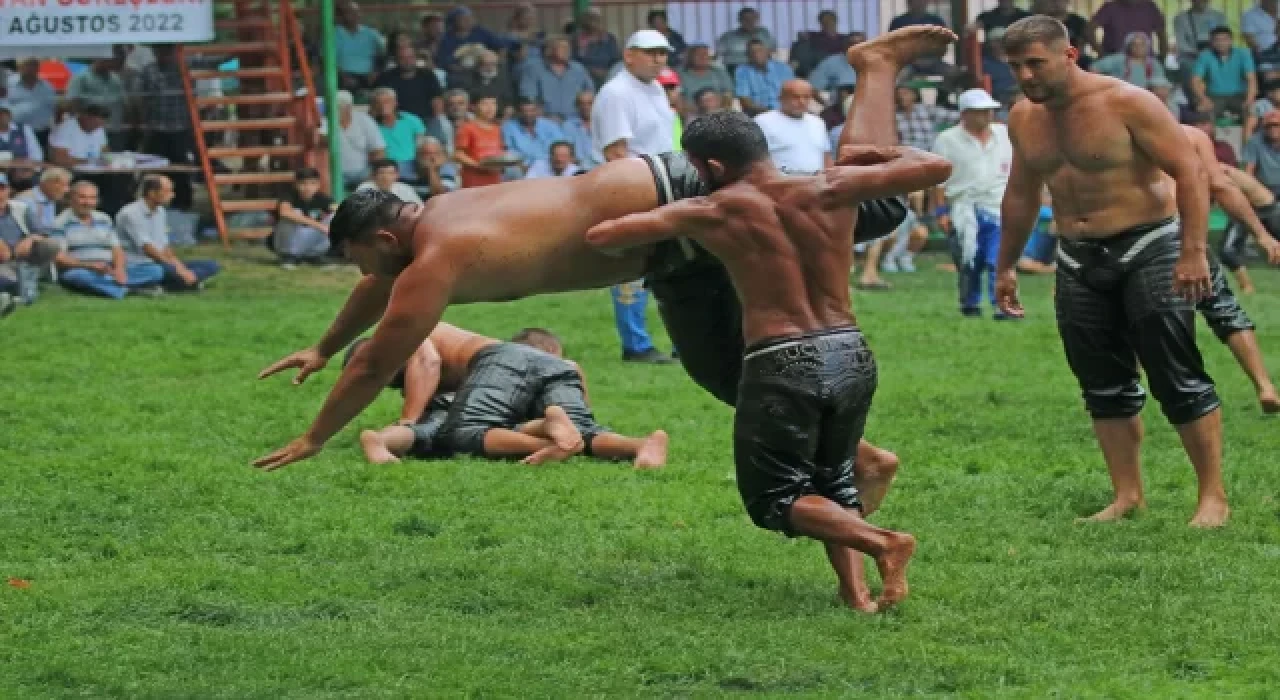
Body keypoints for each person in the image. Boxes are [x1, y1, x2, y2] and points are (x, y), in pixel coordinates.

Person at [251, 28, 938, 612]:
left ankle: (874, 68)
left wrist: (315, 436)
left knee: (870, 200)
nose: (362, 278)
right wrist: (322, 346)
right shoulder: (440, 212)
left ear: (380, 240)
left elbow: (376, 362)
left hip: (681, 205)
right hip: (668, 249)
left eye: (356, 261)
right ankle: (855, 480)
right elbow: (377, 293)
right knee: (728, 374)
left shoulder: (437, 258)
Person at [584, 28, 958, 611]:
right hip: (852, 352)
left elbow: (603, 236)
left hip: (781, 362)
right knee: (835, 480)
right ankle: (854, 593)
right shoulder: (831, 186)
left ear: (708, 166)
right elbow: (933, 165)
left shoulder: (713, 209)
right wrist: (881, 158)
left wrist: (670, 211)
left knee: (777, 501)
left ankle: (886, 543)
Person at [996, 16, 1227, 528]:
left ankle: (1213, 496)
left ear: (1069, 55)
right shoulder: (1022, 118)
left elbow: (1189, 169)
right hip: (1078, 254)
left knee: (1175, 373)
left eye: (1036, 63)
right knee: (1101, 381)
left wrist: (1193, 251)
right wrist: (1006, 263)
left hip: (1150, 243)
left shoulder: (1127, 101)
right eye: (1016, 67)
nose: (1026, 76)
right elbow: (1021, 194)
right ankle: (1127, 496)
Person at [353, 325, 668, 468]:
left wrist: (408, 418)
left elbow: (427, 362)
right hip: (538, 374)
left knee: (460, 433)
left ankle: (378, 440)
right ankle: (641, 445)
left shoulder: (406, 330)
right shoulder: (432, 382)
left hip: (501, 363)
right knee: (582, 433)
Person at [1173, 123, 1280, 413]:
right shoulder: (1191, 138)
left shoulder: (1139, 137)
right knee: (1224, 310)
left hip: (1154, 238)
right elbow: (1222, 187)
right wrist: (1261, 234)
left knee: (1136, 315)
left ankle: (1131, 390)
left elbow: (1222, 186)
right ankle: (1264, 385)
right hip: (1185, 238)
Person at [592, 29, 679, 364]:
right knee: (633, 270)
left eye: (663, 53)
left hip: (662, 186)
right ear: (629, 55)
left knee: (668, 268)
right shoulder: (617, 93)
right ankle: (636, 345)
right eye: (651, 52)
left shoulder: (655, 88)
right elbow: (616, 153)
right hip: (633, 189)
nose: (659, 59)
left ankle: (678, 342)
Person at [931, 88, 1013, 318]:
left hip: (998, 205)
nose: (987, 116)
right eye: (980, 112)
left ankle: (1002, 305)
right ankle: (970, 304)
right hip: (963, 206)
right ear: (965, 113)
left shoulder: (1005, 135)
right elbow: (938, 181)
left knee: (999, 259)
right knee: (969, 260)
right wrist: (941, 212)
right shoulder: (946, 140)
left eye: (989, 111)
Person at [53, 181, 165, 299]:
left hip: (109, 267)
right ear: (71, 199)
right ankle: (130, 289)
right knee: (78, 276)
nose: (87, 202)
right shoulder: (60, 223)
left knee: (155, 270)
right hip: (82, 268)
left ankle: (112, 285)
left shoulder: (104, 218)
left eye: (92, 198)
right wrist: (90, 265)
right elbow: (59, 258)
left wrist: (119, 269)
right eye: (82, 197)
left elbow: (117, 249)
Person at [115, 175, 219, 291]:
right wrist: (177, 269)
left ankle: (183, 281)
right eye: (167, 191)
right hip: (139, 264)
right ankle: (179, 282)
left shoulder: (161, 211)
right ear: (152, 193)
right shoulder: (130, 214)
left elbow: (164, 246)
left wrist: (180, 267)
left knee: (211, 265)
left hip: (162, 262)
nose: (172, 195)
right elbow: (148, 249)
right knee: (158, 271)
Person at [273, 168, 336, 269]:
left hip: (309, 239)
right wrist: (319, 225)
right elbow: (284, 212)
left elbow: (339, 210)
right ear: (296, 184)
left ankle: (315, 255)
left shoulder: (322, 198)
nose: (308, 188)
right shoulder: (289, 196)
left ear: (318, 185)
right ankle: (289, 256)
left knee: (335, 217)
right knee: (294, 213)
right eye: (303, 183)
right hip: (287, 242)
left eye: (312, 183)